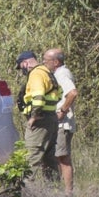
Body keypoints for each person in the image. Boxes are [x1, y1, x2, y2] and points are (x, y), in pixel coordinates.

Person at [16, 50, 62, 180]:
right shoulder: (47, 72)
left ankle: (26, 195)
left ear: (25, 63)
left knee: (31, 158)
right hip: (51, 119)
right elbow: (59, 94)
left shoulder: (36, 74)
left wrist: (34, 117)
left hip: (40, 121)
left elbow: (39, 96)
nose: (22, 71)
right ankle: (54, 193)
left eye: (21, 68)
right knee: (49, 160)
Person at [43, 48, 78, 197]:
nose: (44, 63)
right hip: (58, 123)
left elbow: (72, 92)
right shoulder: (56, 74)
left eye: (46, 60)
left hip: (63, 123)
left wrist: (62, 111)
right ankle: (56, 190)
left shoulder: (62, 74)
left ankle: (68, 193)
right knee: (55, 156)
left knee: (62, 157)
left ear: (56, 62)